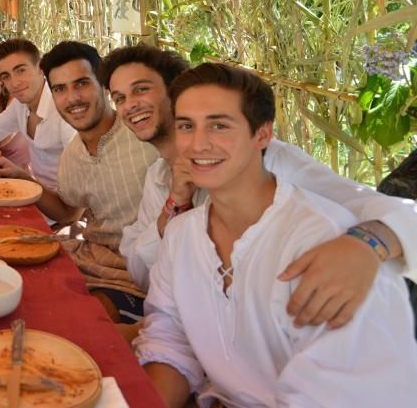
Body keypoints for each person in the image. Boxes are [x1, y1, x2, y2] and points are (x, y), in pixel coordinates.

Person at [135, 64, 417, 407]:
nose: (198, 144)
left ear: (263, 135)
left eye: (219, 125)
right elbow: (169, 339)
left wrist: (371, 242)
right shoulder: (182, 235)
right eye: (186, 126)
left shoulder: (326, 249)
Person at [102, 45, 417, 329]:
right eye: (119, 98)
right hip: (202, 337)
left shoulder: (268, 160)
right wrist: (175, 202)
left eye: (140, 90)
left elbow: (394, 211)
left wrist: (365, 244)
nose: (130, 105)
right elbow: (140, 273)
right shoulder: (158, 177)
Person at [35, 41, 159, 323]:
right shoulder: (72, 156)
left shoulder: (146, 138)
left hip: (137, 280)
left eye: (81, 83)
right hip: (90, 260)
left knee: (77, 322)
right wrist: (24, 181)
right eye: (60, 89)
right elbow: (69, 212)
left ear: (104, 85)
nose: (72, 98)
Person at [0, 38, 76, 188]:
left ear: (40, 68)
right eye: (6, 76)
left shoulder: (64, 110)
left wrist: (24, 177)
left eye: (21, 71)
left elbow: (79, 194)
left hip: (62, 202)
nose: (14, 83)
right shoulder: (21, 105)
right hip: (37, 192)